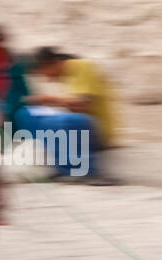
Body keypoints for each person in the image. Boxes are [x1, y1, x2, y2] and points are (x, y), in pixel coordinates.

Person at [18, 46, 119, 184]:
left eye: (44, 73)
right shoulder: (67, 76)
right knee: (27, 115)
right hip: (82, 127)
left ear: (53, 63)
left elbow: (84, 105)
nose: (47, 79)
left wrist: (50, 100)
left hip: (98, 129)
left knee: (66, 121)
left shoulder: (83, 66)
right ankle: (64, 168)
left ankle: (86, 171)